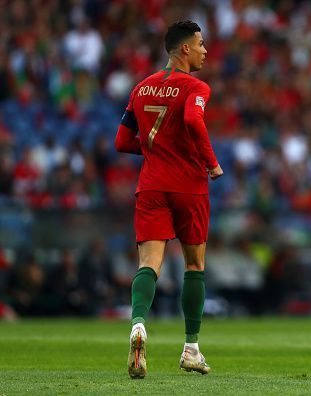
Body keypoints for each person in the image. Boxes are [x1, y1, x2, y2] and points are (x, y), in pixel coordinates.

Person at [114, 20, 224, 379]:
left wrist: (153, 148)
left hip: (151, 185)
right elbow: (193, 120)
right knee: (194, 265)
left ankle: (139, 324)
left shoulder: (141, 89)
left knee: (149, 264)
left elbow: (121, 141)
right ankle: (191, 348)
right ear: (185, 49)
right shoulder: (196, 87)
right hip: (189, 186)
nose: (206, 50)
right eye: (201, 43)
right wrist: (211, 162)